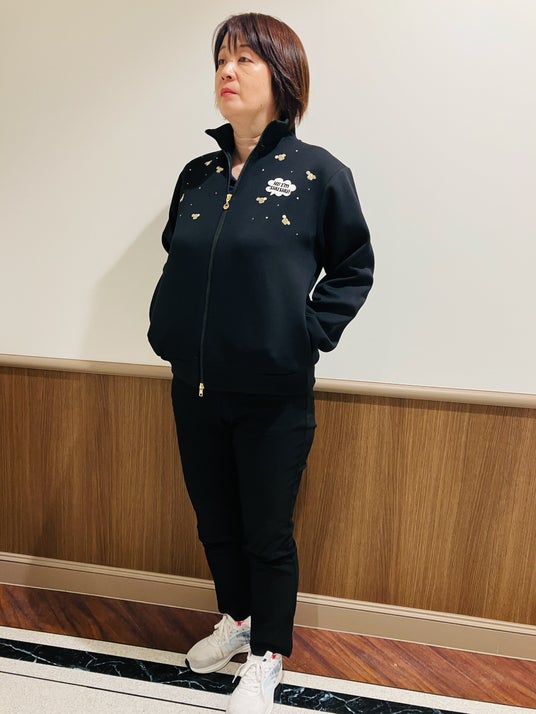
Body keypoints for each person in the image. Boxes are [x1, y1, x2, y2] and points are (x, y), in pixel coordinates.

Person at [148, 12, 374, 714]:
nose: (227, 70)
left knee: (266, 533)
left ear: (283, 77)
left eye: (245, 58)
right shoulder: (198, 175)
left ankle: (269, 654)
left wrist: (304, 334)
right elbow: (180, 256)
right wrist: (169, 326)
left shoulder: (318, 174)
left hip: (274, 392)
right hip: (194, 384)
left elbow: (354, 267)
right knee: (214, 520)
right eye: (221, 58)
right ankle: (239, 621)